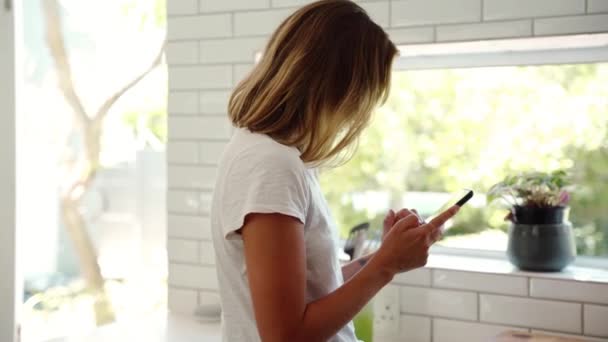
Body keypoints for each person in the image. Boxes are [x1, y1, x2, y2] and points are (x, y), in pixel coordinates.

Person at [210, 1, 460, 341]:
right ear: (337, 89)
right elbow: (286, 335)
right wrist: (384, 266)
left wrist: (382, 256)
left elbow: (308, 288)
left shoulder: (274, 156)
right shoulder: (271, 165)